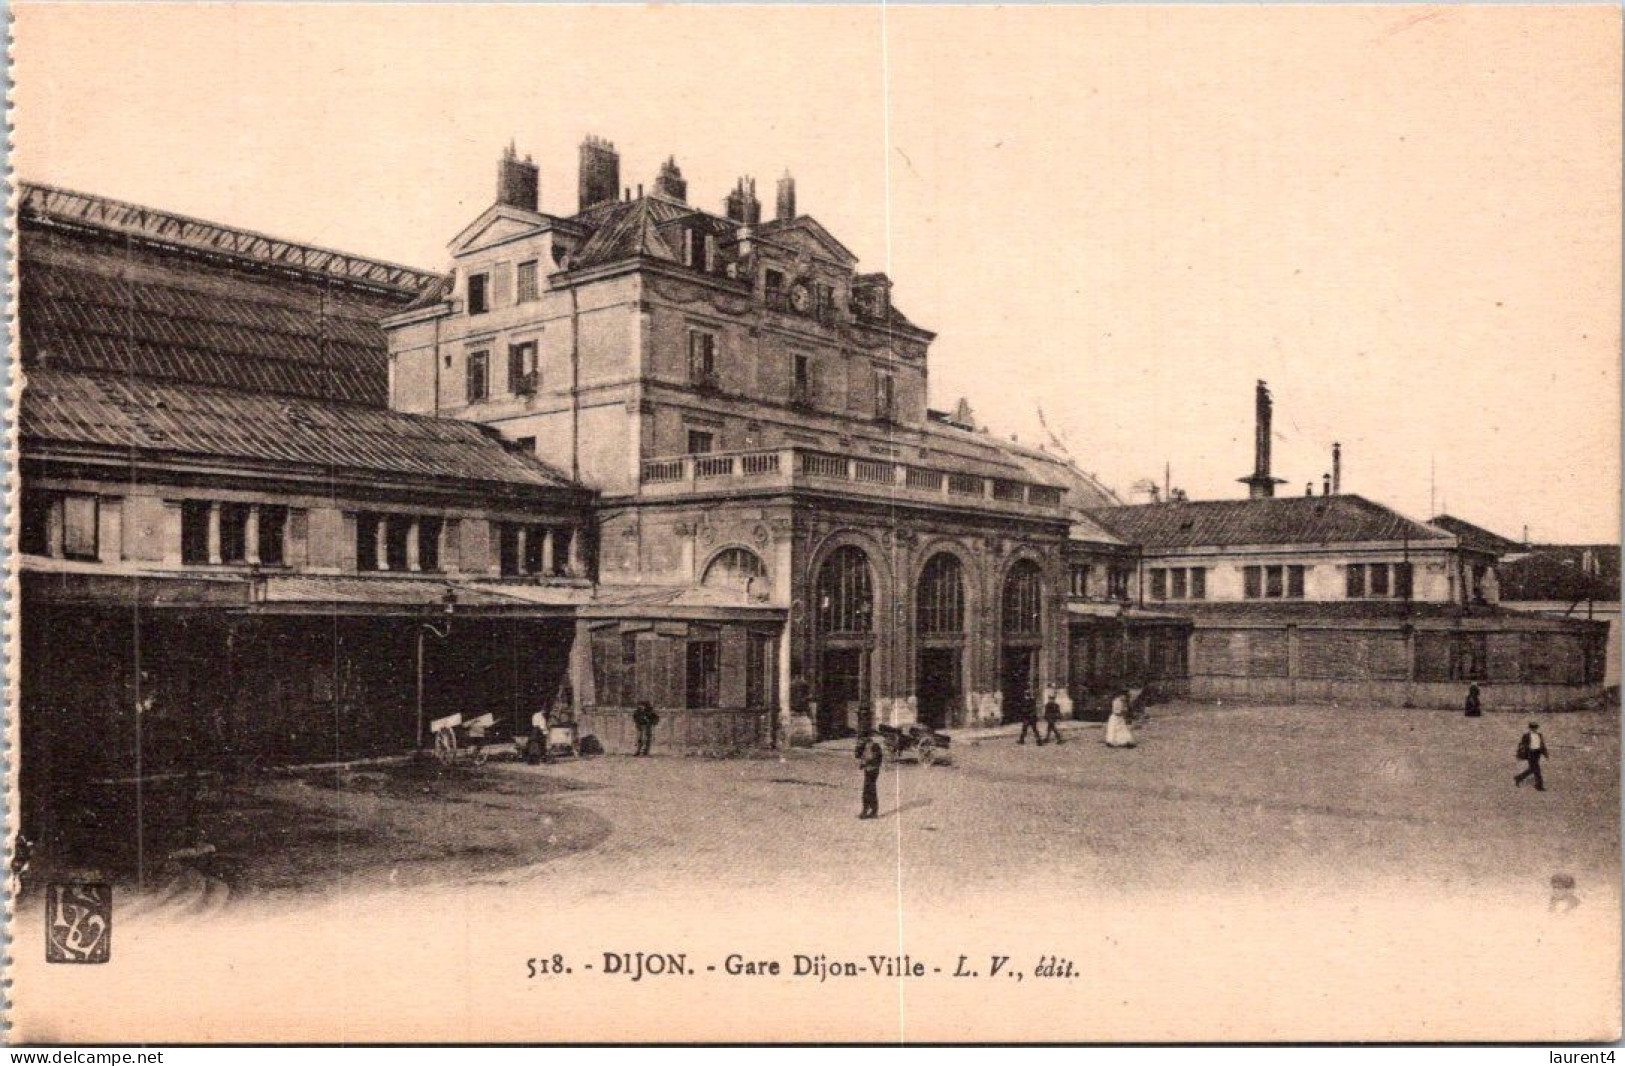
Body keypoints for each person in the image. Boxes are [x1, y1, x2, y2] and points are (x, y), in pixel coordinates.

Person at [855, 728, 885, 819]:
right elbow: (857, 756)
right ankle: (871, 810)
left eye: (862, 738)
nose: (860, 740)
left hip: (873, 770)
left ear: (867, 737)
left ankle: (868, 811)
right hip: (868, 769)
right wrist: (858, 748)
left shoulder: (874, 745)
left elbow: (876, 759)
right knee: (870, 790)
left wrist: (866, 762)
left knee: (868, 790)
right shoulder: (864, 745)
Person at [1515, 721, 1548, 790]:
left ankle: (1518, 777)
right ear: (1530, 728)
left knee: (1532, 769)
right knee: (1537, 770)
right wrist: (1519, 754)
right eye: (1532, 728)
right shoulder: (1526, 735)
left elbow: (1542, 745)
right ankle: (1539, 785)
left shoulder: (1539, 735)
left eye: (1535, 728)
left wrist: (1545, 754)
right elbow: (1521, 745)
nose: (1534, 729)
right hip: (1531, 753)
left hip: (1537, 753)